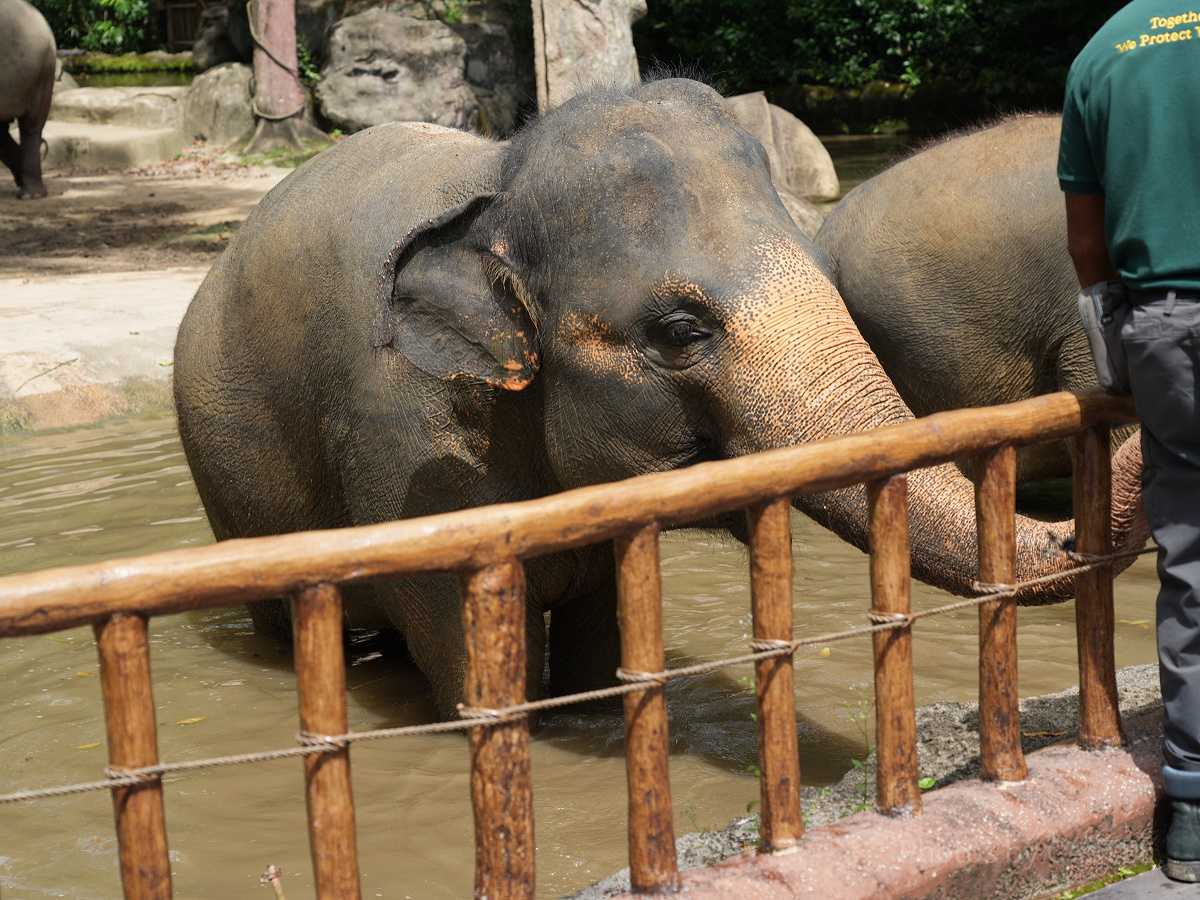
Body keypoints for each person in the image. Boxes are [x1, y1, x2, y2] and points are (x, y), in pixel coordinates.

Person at [1059, 0, 1200, 882]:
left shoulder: (1102, 53)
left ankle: (1189, 809)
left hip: (1164, 327)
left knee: (1188, 548)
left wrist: (1120, 337)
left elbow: (1085, 240)